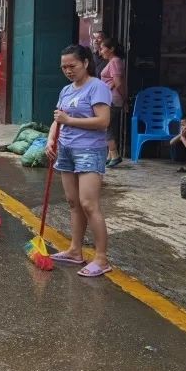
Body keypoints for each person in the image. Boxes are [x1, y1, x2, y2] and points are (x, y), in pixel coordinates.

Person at [46, 44, 113, 278]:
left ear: (85, 63)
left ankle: (102, 258)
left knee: (88, 204)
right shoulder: (66, 90)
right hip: (66, 150)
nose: (68, 70)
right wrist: (51, 138)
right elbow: (57, 118)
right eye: (64, 67)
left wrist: (68, 120)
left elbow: (103, 121)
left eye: (72, 66)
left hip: (90, 150)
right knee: (73, 203)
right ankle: (75, 250)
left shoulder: (98, 87)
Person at [99, 37, 127, 167]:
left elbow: (118, 83)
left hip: (112, 99)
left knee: (107, 127)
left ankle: (114, 155)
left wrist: (124, 98)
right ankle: (110, 156)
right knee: (110, 126)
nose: (101, 51)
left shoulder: (115, 61)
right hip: (111, 99)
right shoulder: (113, 61)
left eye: (103, 48)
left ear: (111, 49)